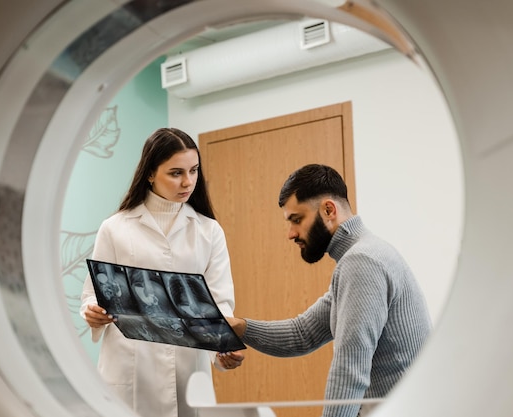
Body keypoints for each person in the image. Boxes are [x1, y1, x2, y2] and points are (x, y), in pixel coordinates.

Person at [227, 164, 431, 417]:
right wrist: (240, 327)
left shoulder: (362, 261)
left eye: (297, 220)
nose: (291, 234)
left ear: (328, 210)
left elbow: (350, 367)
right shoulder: (364, 255)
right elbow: (303, 334)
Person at [81, 127, 244, 417]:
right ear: (150, 173)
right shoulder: (115, 228)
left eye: (194, 170)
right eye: (176, 173)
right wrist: (92, 313)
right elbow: (92, 295)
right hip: (130, 368)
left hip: (187, 368)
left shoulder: (208, 231)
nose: (188, 181)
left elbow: (220, 304)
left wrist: (223, 350)